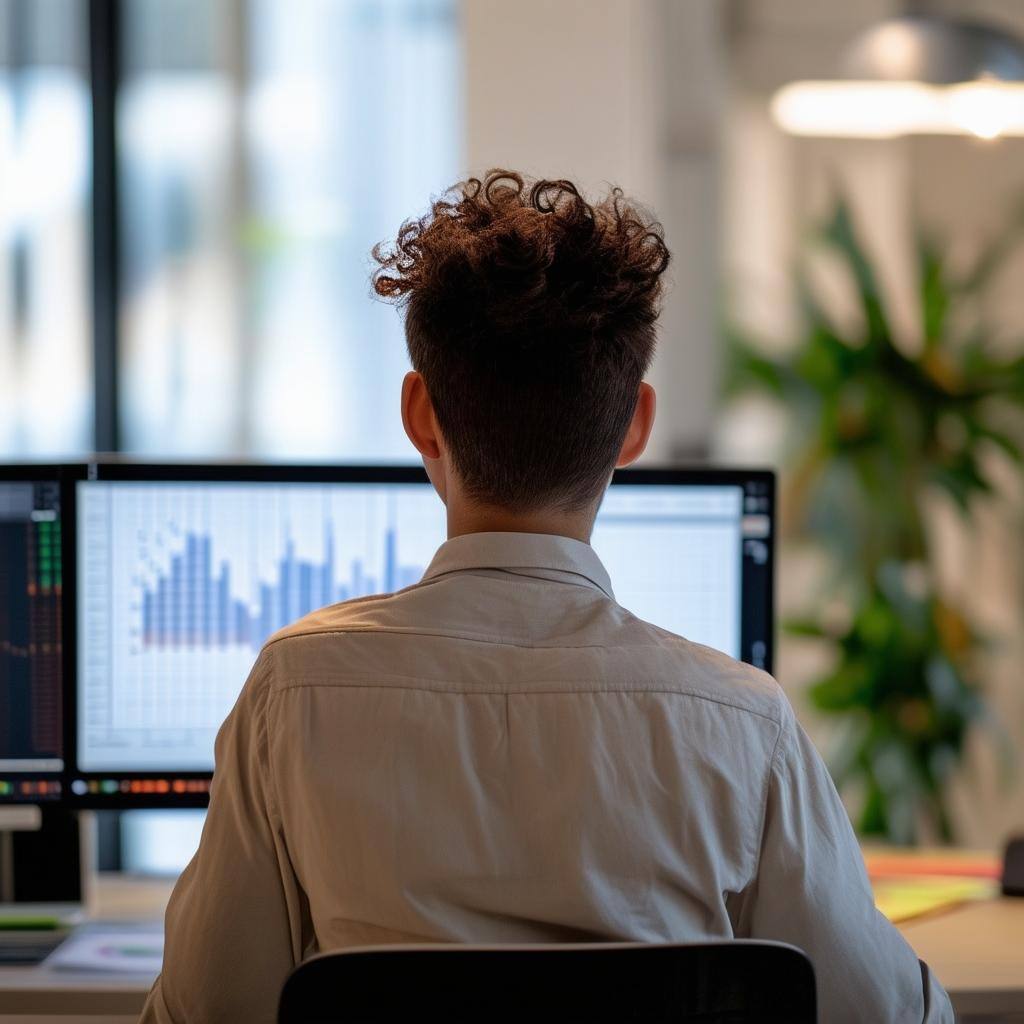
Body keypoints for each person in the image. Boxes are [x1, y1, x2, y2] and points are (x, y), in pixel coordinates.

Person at [140, 170, 952, 1023]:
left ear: (420, 413)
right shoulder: (744, 723)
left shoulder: (293, 692)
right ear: (634, 425)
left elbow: (206, 1011)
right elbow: (889, 1017)